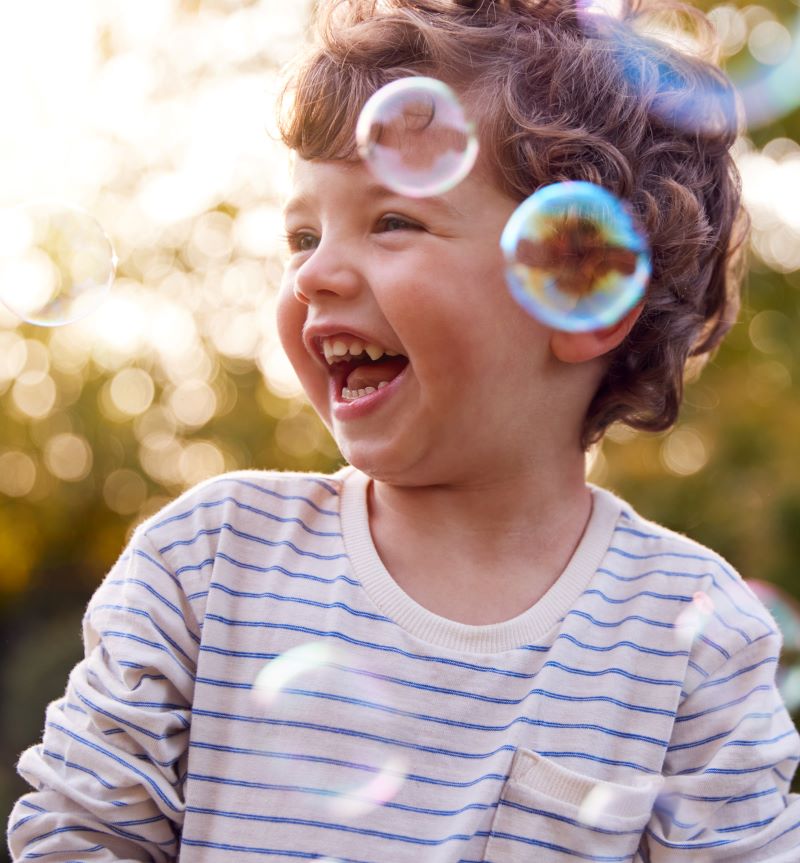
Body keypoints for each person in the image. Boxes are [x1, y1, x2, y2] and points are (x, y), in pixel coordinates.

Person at [8, 1, 800, 860]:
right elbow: (75, 835)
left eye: (393, 221)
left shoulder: (694, 639)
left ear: (584, 288)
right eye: (303, 234)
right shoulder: (206, 563)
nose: (313, 272)